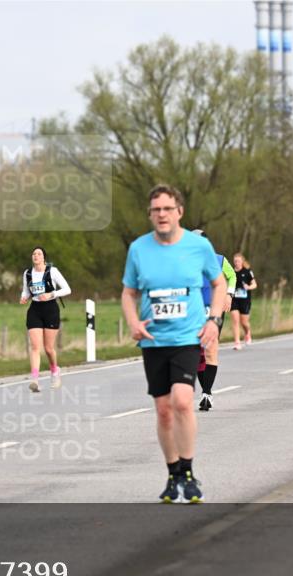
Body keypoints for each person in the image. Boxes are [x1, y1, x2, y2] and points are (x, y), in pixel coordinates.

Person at [121, 184, 227, 504]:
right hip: (154, 340)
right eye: (156, 210)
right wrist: (133, 322)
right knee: (164, 410)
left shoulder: (199, 246)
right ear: (150, 214)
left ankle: (189, 473)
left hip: (187, 337)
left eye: (167, 208)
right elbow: (128, 293)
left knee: (182, 401)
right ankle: (172, 474)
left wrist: (214, 320)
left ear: (179, 211)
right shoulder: (139, 249)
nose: (162, 214)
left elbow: (219, 283)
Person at [20, 246, 71, 392]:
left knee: (48, 348)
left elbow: (67, 289)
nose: (36, 256)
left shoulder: (52, 271)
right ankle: (35, 380)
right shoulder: (27, 273)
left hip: (50, 310)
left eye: (39, 254)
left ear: (44, 258)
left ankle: (55, 371)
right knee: (35, 347)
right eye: (34, 253)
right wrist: (24, 297)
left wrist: (51, 294)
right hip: (35, 310)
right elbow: (26, 291)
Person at [193, 231, 234, 412]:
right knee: (196, 354)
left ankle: (207, 393)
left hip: (214, 309)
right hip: (193, 312)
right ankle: (205, 391)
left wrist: (229, 294)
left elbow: (232, 276)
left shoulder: (219, 259)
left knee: (210, 350)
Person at [230, 253, 257, 350]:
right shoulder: (231, 272)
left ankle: (247, 332)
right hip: (234, 299)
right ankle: (237, 342)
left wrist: (248, 287)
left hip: (245, 300)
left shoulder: (247, 272)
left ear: (242, 262)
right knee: (235, 320)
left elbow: (254, 284)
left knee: (244, 322)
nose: (236, 263)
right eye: (235, 261)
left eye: (238, 261)